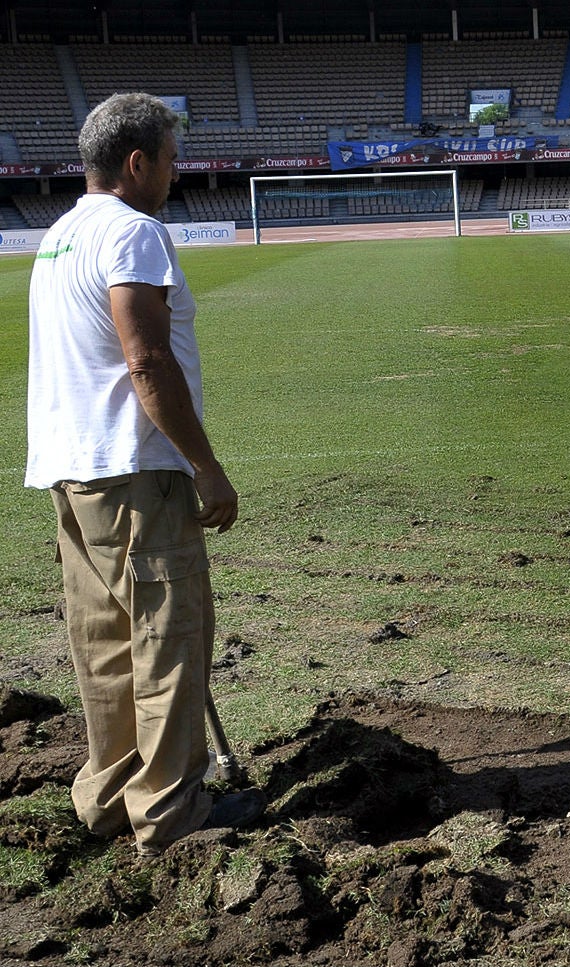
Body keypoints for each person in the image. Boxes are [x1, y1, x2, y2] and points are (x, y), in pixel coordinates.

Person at [26, 92, 260, 853]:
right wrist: (206, 465)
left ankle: (108, 795)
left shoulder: (58, 236)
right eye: (170, 156)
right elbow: (147, 360)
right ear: (137, 162)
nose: (175, 171)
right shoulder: (134, 233)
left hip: (72, 475)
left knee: (105, 643)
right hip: (135, 474)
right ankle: (167, 812)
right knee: (168, 638)